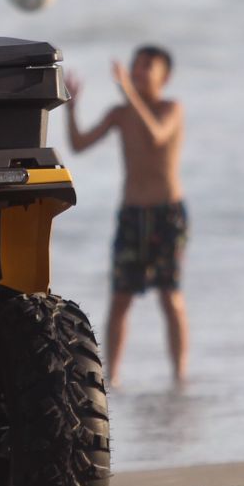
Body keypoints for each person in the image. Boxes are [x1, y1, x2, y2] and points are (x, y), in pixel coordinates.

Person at [65, 46, 189, 387]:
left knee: (170, 296)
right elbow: (78, 144)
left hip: (167, 214)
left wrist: (131, 94)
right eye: (136, 65)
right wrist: (72, 109)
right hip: (132, 214)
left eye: (148, 66)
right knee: (121, 298)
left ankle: (179, 375)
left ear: (165, 76)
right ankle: (113, 378)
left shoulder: (170, 109)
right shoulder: (120, 113)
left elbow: (157, 136)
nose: (138, 70)